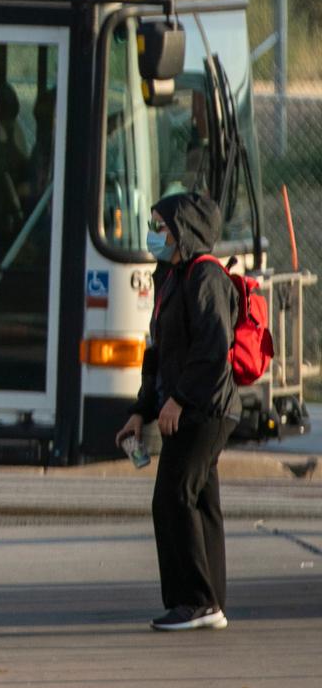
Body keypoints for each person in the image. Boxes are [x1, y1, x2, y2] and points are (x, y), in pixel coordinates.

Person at [117, 191, 240, 632]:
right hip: (188, 407)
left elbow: (212, 351)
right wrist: (141, 411)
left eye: (160, 226)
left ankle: (194, 601)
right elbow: (158, 355)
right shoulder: (171, 276)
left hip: (206, 409)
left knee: (172, 497)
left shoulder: (204, 277)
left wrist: (180, 400)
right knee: (201, 501)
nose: (154, 234)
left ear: (183, 231)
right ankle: (210, 602)